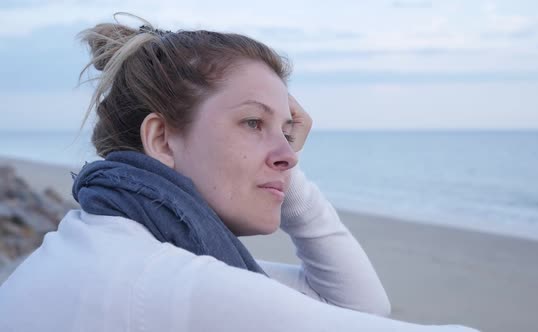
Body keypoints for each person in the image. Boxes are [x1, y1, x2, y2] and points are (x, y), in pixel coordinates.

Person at [0, 14, 478, 331]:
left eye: (287, 130)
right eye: (253, 122)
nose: (289, 154)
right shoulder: (163, 283)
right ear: (162, 139)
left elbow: (360, 308)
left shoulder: (104, 243)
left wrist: (279, 167)